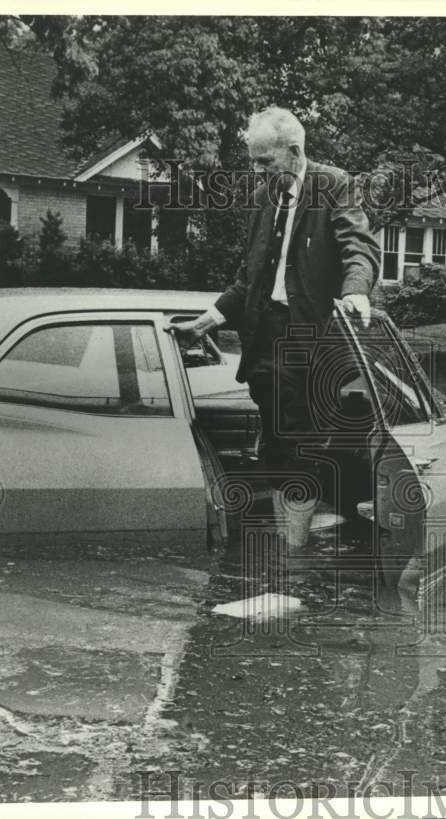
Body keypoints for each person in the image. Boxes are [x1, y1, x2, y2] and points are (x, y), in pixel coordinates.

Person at [167, 106, 379, 555]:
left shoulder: (333, 184)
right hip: (264, 338)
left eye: (264, 161)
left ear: (295, 151)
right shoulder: (264, 197)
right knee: (277, 446)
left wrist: (357, 290)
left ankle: (294, 553)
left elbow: (358, 246)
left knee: (299, 447)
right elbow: (250, 280)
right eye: (255, 161)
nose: (257, 170)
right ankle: (290, 547)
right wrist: (206, 322)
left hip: (307, 339)